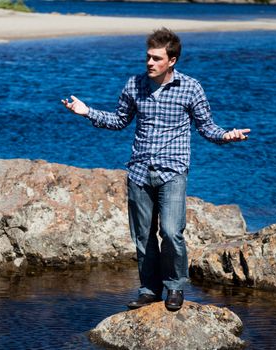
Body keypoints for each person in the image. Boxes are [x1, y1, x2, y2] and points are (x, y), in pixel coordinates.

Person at [61, 28, 249, 311]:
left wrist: (226, 136)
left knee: (172, 232)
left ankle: (174, 288)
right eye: (148, 57)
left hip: (172, 172)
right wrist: (87, 112)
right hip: (138, 172)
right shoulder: (134, 85)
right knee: (142, 237)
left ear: (171, 61)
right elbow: (119, 120)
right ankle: (150, 290)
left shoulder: (191, 88)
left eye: (156, 58)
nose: (149, 63)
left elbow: (206, 128)